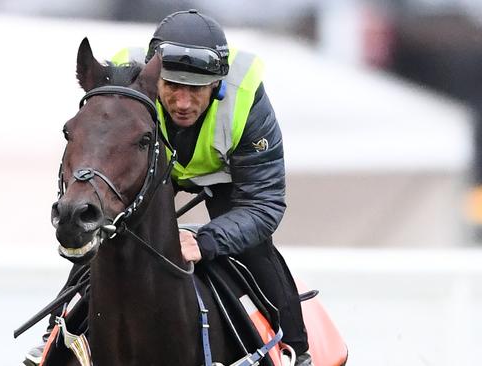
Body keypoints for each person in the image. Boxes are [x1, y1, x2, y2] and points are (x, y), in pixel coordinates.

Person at [26, 9, 312, 366]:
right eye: (172, 86)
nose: (181, 102)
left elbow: (265, 204)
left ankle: (297, 349)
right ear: (154, 77)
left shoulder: (246, 99)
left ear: (218, 84)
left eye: (196, 90)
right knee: (101, 239)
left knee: (258, 253)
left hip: (224, 176)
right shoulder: (124, 82)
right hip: (149, 164)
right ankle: (56, 335)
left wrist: (207, 241)